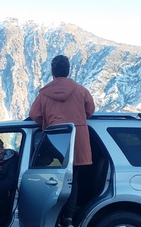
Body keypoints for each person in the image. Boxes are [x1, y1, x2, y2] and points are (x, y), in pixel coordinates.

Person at [29, 55, 95, 227]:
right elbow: (90, 111)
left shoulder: (44, 94)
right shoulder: (81, 91)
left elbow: (34, 115)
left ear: (52, 72)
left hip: (54, 142)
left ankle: (53, 217)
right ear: (69, 71)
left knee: (49, 180)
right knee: (73, 181)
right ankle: (68, 218)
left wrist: (48, 120)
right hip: (77, 143)